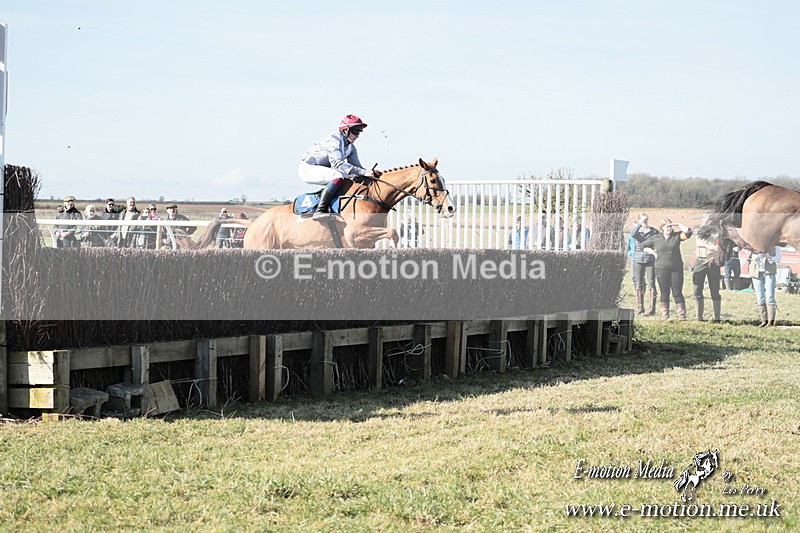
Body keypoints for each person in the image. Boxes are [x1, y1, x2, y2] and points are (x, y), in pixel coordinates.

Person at [298, 114, 381, 220]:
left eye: (360, 132)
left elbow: (357, 168)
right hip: (308, 168)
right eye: (355, 131)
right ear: (345, 130)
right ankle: (320, 210)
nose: (357, 136)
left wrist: (369, 174)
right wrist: (364, 172)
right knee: (337, 176)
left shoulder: (351, 148)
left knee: (347, 179)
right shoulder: (334, 140)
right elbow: (337, 164)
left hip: (323, 169)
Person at [641, 218, 693, 320]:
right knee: (664, 292)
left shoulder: (677, 236)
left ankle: (682, 316)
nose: (669, 228)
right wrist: (653, 252)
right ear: (662, 227)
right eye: (667, 226)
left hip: (676, 269)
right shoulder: (656, 238)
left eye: (670, 226)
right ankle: (665, 315)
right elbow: (643, 246)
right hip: (661, 268)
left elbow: (688, 233)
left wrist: (678, 223)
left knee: (677, 292)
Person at [691, 215, 722, 322]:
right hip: (700, 261)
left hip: (713, 262)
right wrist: (710, 247)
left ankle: (717, 318)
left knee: (715, 290)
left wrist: (707, 246)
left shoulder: (718, 232)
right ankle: (699, 316)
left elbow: (719, 248)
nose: (708, 221)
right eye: (706, 219)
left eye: (710, 219)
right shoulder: (699, 230)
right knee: (697, 289)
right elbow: (698, 243)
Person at [629, 213, 659, 316]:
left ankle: (652, 309)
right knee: (638, 283)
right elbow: (632, 234)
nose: (645, 222)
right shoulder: (636, 231)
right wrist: (640, 224)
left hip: (650, 259)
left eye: (646, 220)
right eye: (643, 220)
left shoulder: (653, 231)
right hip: (638, 259)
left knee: (651, 283)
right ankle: (640, 307)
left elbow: (659, 239)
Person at [748, 246, 782, 327]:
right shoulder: (754, 244)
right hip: (756, 272)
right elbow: (748, 252)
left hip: (769, 272)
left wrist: (768, 256)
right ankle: (764, 321)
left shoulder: (775, 246)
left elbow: (778, 259)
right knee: (760, 297)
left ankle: (771, 322)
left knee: (770, 296)